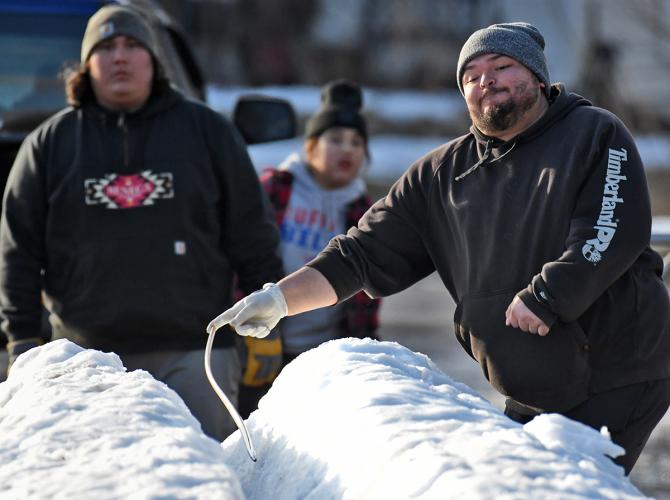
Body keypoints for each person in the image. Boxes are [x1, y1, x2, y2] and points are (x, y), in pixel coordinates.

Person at [208, 22, 670, 473]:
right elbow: (359, 255)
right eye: (471, 76)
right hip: (534, 389)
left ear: (537, 76)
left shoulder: (592, 133)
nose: (485, 79)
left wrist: (549, 295)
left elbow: (610, 230)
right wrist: (278, 300)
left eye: (502, 65)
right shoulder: (441, 175)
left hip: (618, 370)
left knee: (567, 489)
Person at [0, 4, 282, 441]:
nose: (120, 57)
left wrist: (265, 325)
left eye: (133, 45)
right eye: (106, 47)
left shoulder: (208, 132)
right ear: (86, 64)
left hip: (197, 355)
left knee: (204, 478)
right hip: (83, 362)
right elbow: (17, 251)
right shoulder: (49, 145)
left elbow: (252, 233)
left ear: (153, 60)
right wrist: (20, 340)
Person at [237, 79, 381, 417]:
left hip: (323, 350)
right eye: (335, 139)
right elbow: (242, 254)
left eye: (356, 142)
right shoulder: (275, 188)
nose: (347, 149)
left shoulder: (365, 211)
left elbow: (367, 292)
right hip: (262, 342)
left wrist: (365, 345)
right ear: (311, 147)